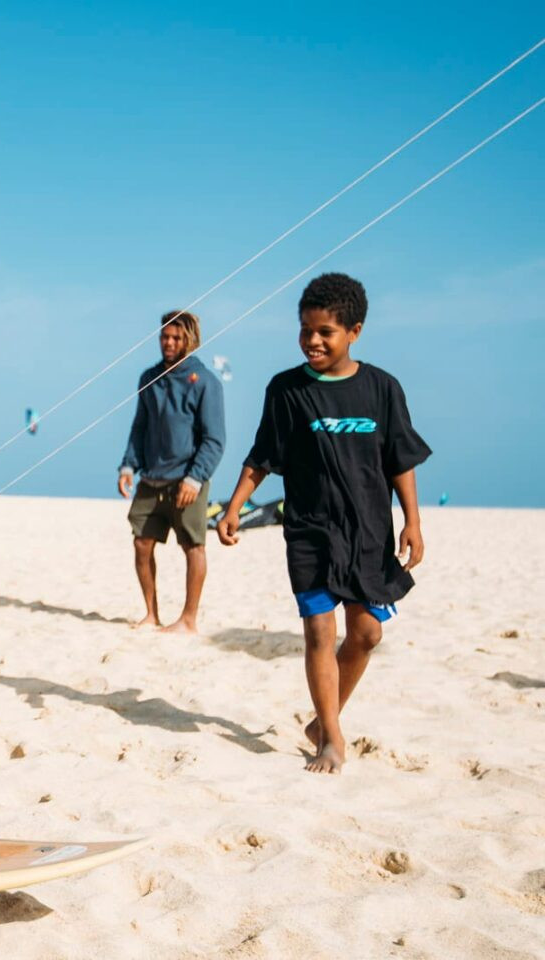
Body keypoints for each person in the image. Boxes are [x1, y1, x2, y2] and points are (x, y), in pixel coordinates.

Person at [217, 273, 430, 774]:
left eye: (325, 332)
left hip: (370, 532)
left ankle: (322, 719)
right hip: (310, 531)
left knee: (366, 635)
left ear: (354, 331)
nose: (312, 341)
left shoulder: (381, 388)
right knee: (318, 632)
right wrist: (234, 508)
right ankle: (331, 737)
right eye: (305, 330)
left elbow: (400, 459)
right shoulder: (287, 390)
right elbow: (263, 455)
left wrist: (413, 521)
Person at [118, 310, 225, 633]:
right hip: (151, 478)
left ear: (190, 340)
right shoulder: (148, 378)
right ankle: (151, 613)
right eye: (165, 335)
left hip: (188, 480)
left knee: (193, 546)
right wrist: (128, 465)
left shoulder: (206, 381)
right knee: (141, 544)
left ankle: (188, 619)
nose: (169, 342)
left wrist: (195, 478)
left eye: (176, 337)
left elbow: (214, 439)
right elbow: (140, 427)